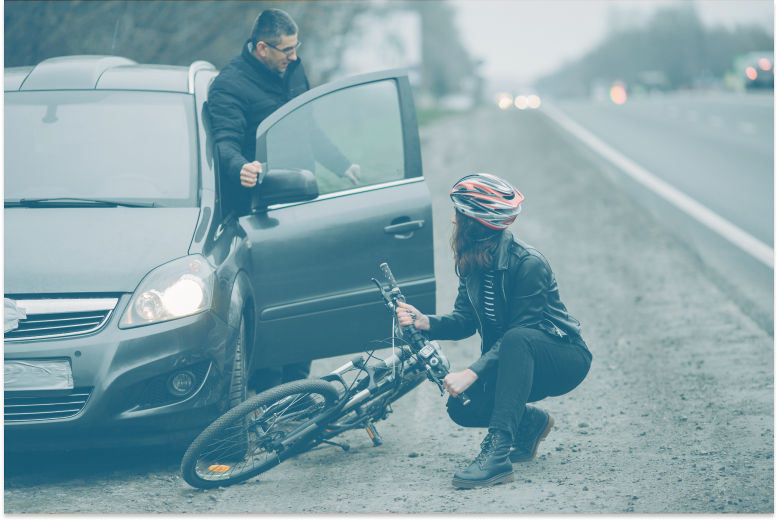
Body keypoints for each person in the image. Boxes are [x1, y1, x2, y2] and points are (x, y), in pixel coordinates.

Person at [395, 173, 593, 489]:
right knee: (461, 407)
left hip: (562, 357)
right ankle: (530, 424)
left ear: (475, 221)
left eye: (458, 213)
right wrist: (425, 322)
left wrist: (472, 372)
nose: (453, 219)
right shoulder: (473, 258)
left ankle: (498, 455)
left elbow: (522, 333)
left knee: (517, 338)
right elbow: (463, 320)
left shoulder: (528, 264)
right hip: (516, 360)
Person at [208, 8, 360, 395]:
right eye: (286, 50)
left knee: (304, 298)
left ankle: (299, 388)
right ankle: (268, 395)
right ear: (262, 47)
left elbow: (308, 124)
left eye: (296, 48)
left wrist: (343, 165)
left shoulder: (292, 69)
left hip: (302, 206)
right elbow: (224, 141)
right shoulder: (230, 85)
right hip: (262, 213)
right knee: (271, 303)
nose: (294, 56)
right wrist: (240, 166)